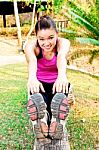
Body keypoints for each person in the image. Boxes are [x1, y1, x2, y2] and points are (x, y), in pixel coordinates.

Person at [25, 15, 74, 150]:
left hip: (58, 83)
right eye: (41, 39)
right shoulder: (31, 46)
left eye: (51, 38)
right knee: (36, 96)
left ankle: (56, 121)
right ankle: (42, 120)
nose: (46, 43)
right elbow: (32, 62)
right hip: (40, 83)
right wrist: (32, 78)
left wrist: (62, 76)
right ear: (36, 37)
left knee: (60, 94)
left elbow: (62, 57)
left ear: (57, 34)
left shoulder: (63, 43)